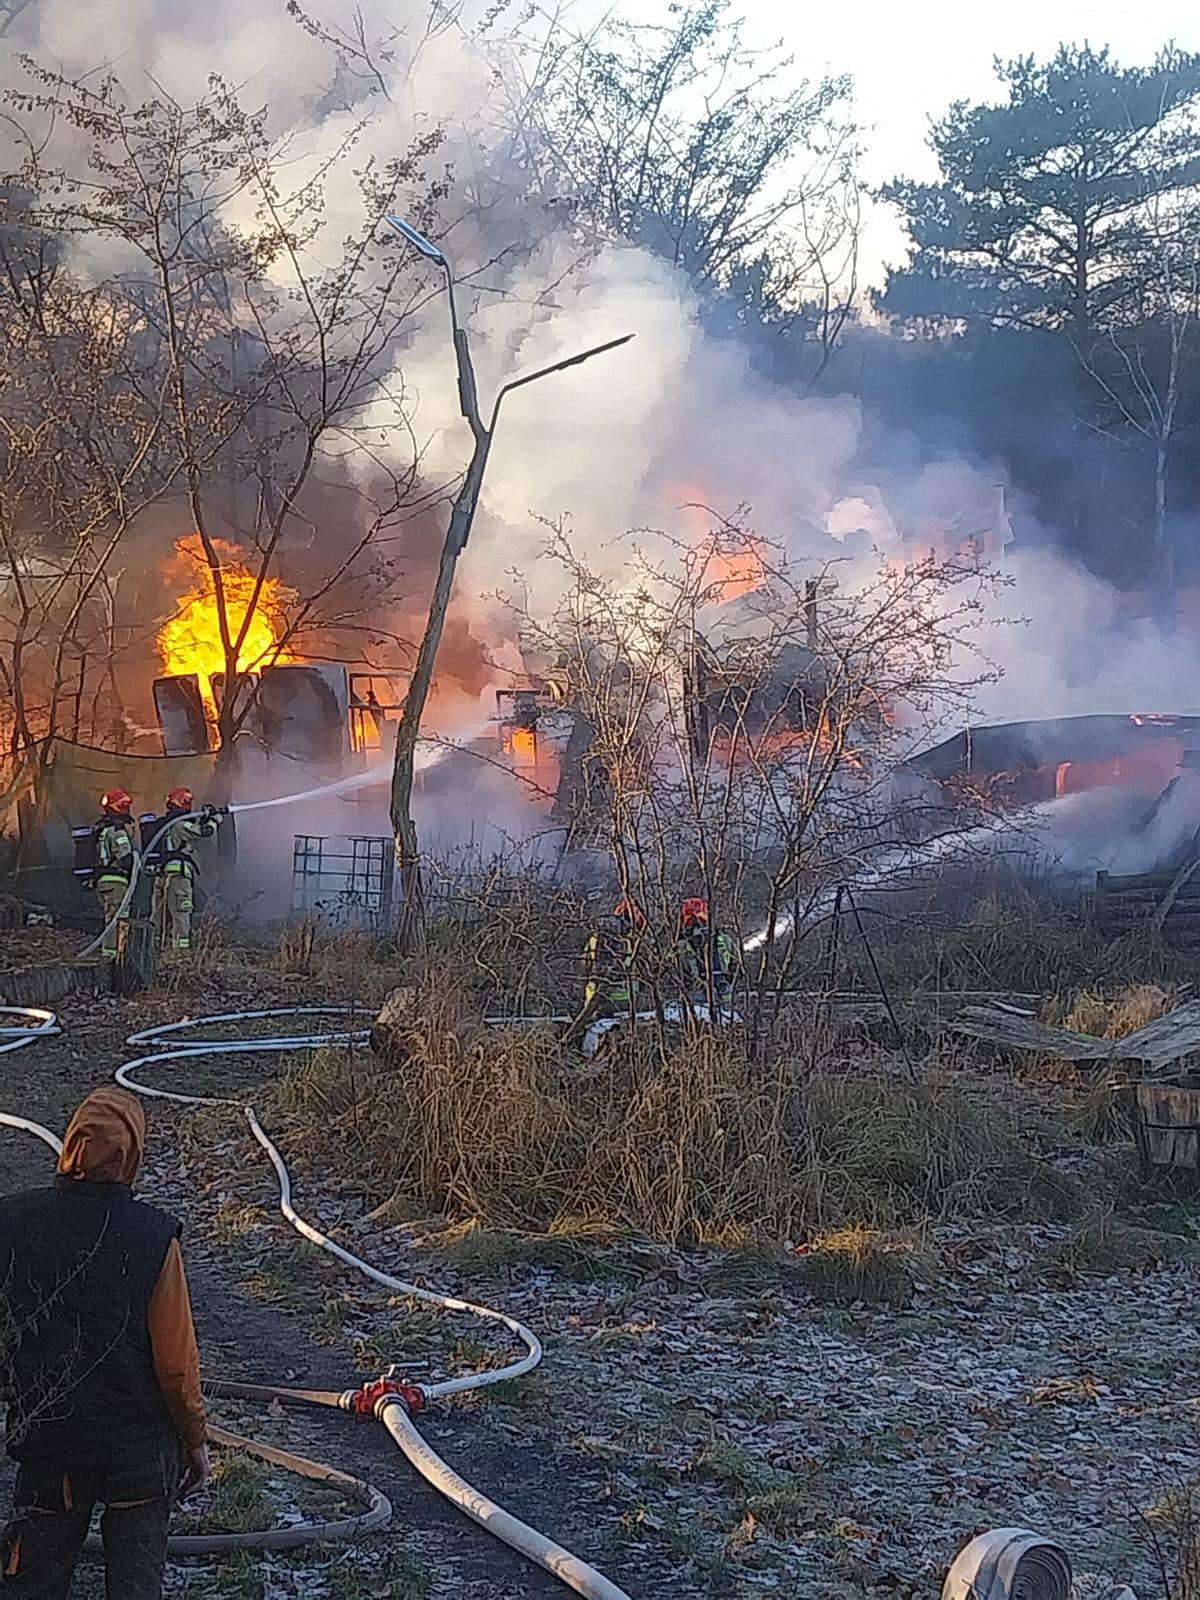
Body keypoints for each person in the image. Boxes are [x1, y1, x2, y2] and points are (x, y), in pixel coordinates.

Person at [0, 1086, 209, 1599]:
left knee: (31, 1586)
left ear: (69, 1144)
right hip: (137, 1456)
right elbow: (175, 1364)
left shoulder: (13, 1222)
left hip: (50, 1448)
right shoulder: (155, 1237)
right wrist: (195, 1441)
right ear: (133, 1154)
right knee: (135, 1587)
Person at [565, 897, 648, 1051]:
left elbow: (584, 967)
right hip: (619, 1004)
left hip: (599, 1002)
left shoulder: (598, 937)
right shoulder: (624, 940)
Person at [150, 788, 223, 958]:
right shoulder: (180, 824)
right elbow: (204, 832)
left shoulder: (167, 823)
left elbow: (194, 825)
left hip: (162, 875)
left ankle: (154, 949)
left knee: (159, 915)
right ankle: (180, 955)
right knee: (181, 913)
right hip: (178, 876)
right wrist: (215, 821)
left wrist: (205, 815)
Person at [92, 788, 137, 958]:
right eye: (124, 806)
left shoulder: (101, 828)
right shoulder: (117, 831)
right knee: (118, 920)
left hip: (103, 881)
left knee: (110, 918)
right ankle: (116, 957)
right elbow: (126, 858)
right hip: (117, 882)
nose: (127, 809)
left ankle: (110, 954)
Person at [677, 896, 739, 1006]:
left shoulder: (723, 941)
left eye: (700, 921)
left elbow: (738, 969)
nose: (696, 926)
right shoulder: (680, 947)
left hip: (725, 1005)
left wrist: (727, 983)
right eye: (691, 922)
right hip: (693, 1006)